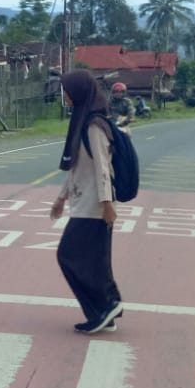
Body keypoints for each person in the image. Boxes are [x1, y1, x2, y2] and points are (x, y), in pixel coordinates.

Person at [50, 70, 125, 334]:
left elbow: (103, 168)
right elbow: (77, 168)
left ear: (80, 92)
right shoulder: (82, 122)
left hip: (95, 205)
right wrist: (61, 199)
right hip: (85, 202)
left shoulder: (94, 126)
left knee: (68, 255)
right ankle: (103, 311)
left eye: (68, 92)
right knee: (91, 260)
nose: (66, 97)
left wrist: (107, 204)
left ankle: (106, 305)